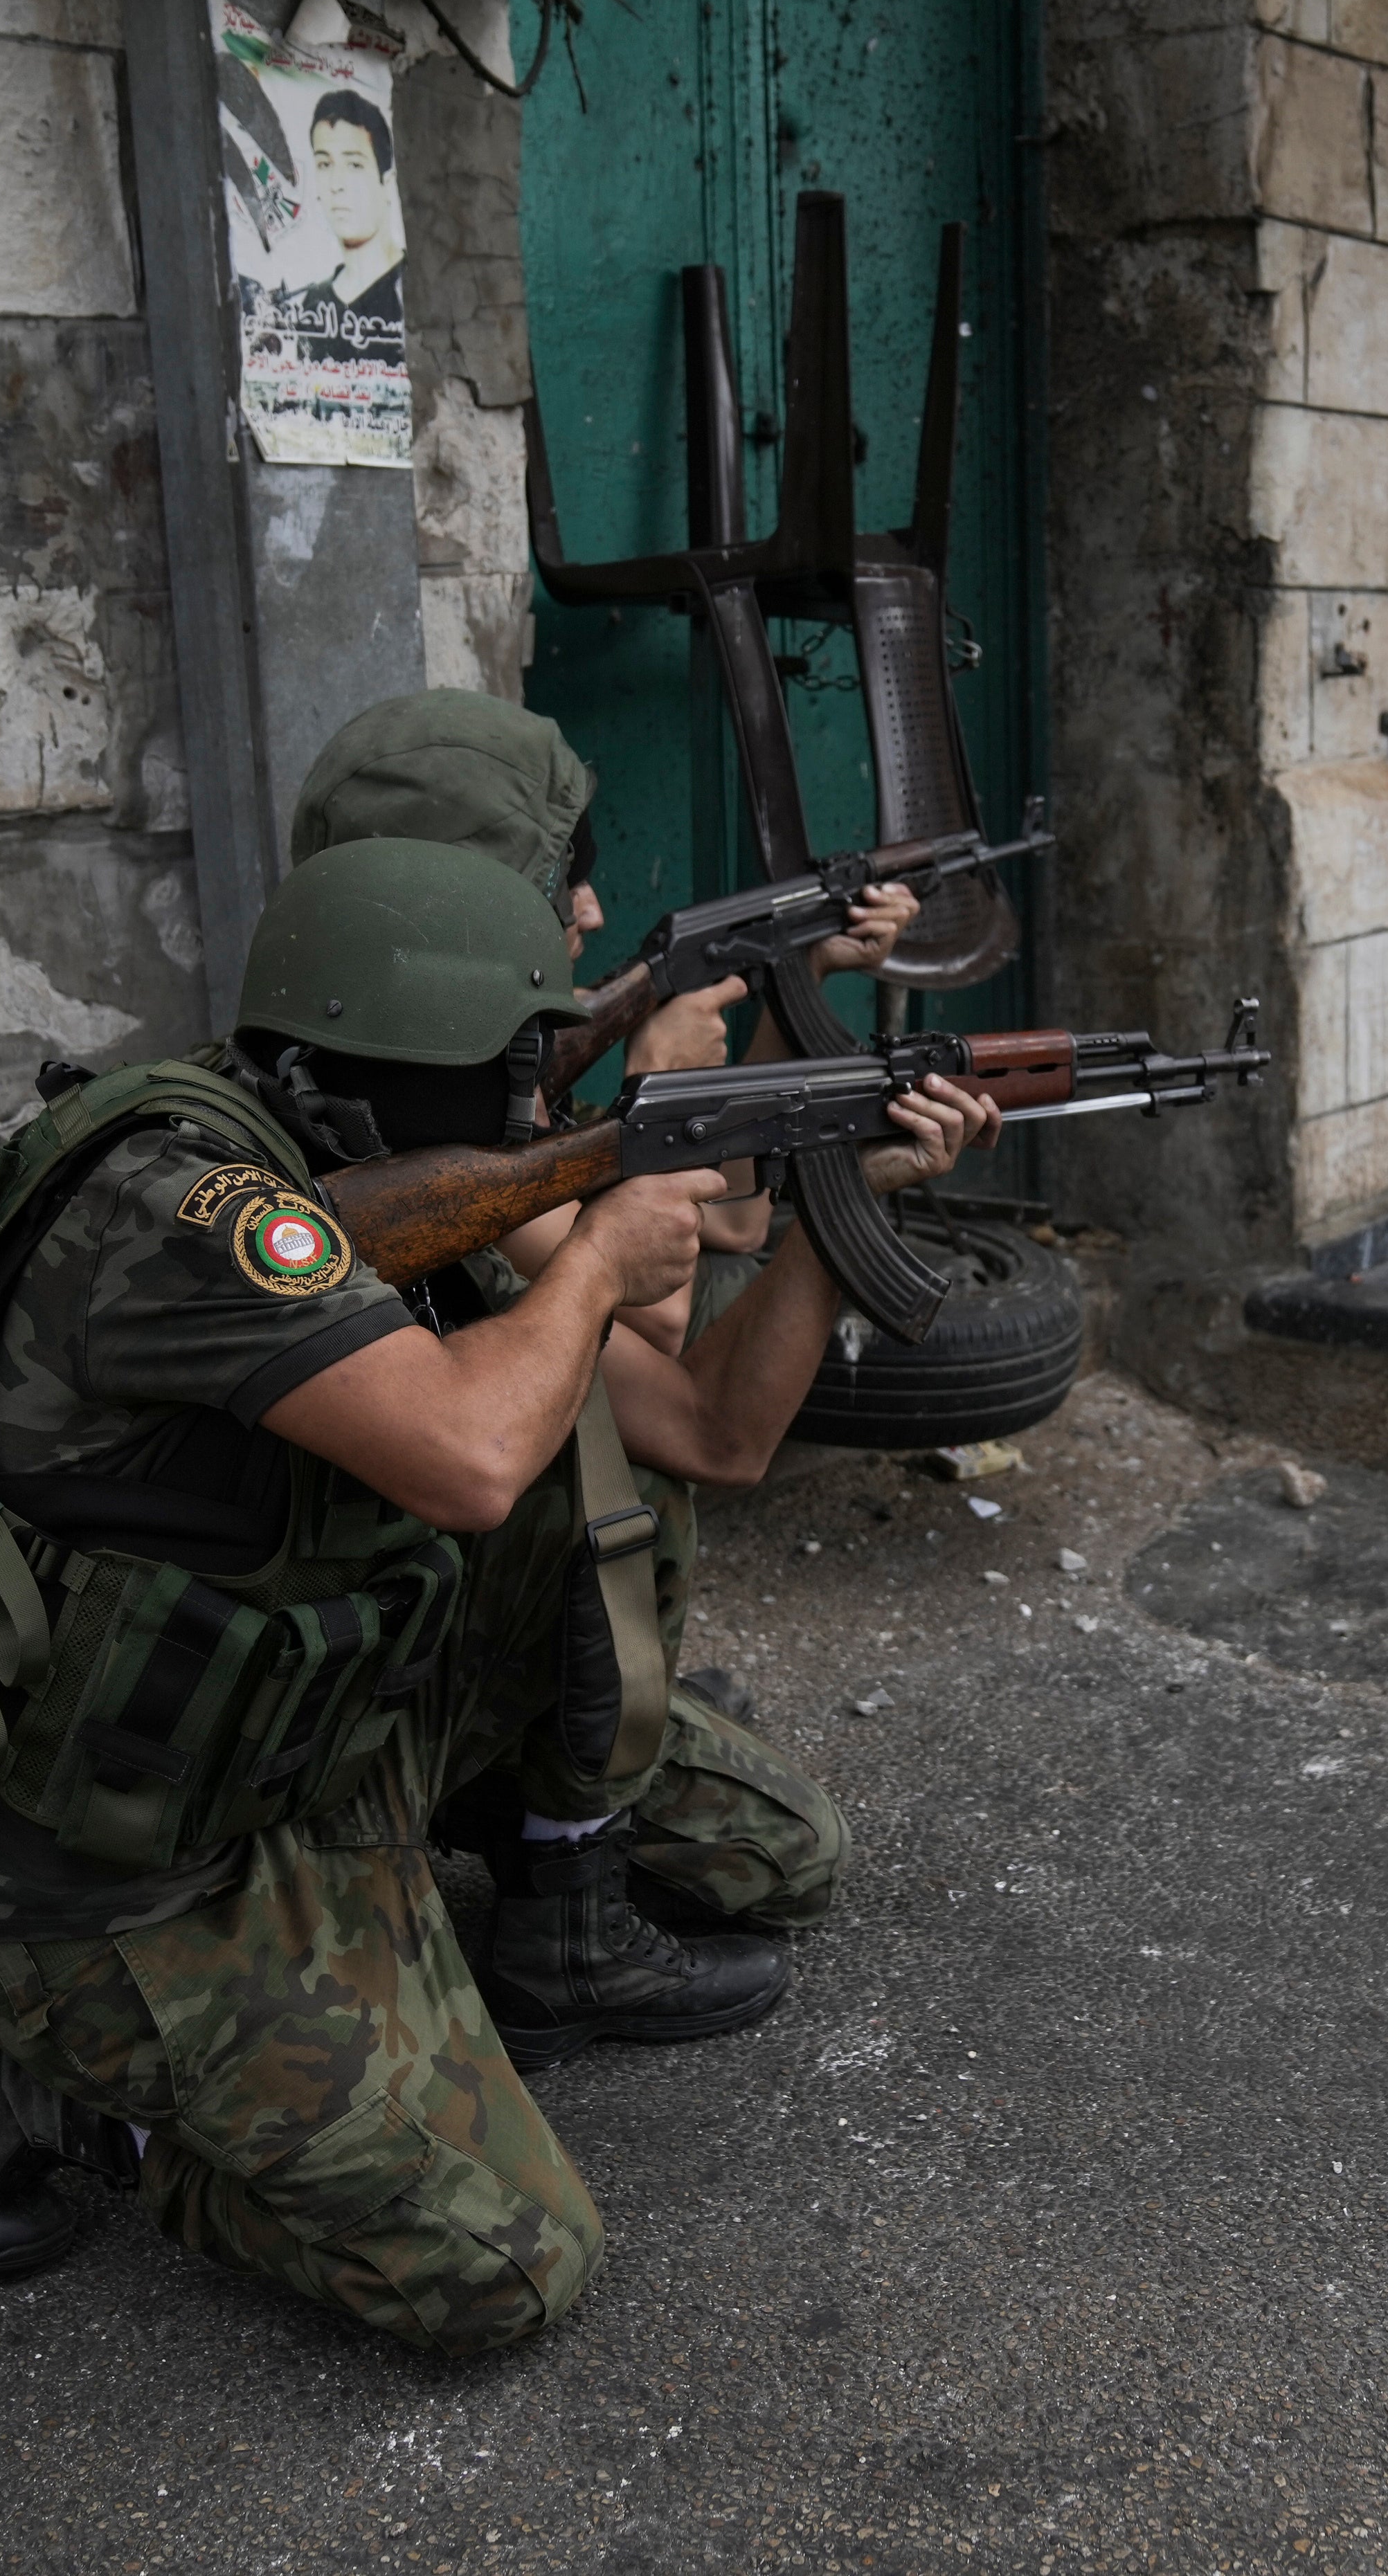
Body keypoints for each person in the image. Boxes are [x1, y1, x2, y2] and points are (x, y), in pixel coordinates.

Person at [0, 831, 992, 2355]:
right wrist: (591, 1262)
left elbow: (708, 1429)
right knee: (502, 2269)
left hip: (315, 1742)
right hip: (132, 1862)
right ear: (405, 1069)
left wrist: (838, 1195)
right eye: (515, 1075)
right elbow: (470, 1463)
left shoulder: (357, 1155)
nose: (536, 1110)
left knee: (777, 1841)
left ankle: (538, 1909)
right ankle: (37, 2083)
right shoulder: (192, 1210)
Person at [278, 689, 926, 2063]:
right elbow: (685, 1396)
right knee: (599, 1455)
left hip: (408, 1646)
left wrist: (779, 1084)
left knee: (786, 1854)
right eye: (556, 885)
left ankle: (548, 1765)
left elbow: (730, 1223)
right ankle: (551, 1875)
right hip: (329, 1707)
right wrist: (648, 1106)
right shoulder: (400, 1146)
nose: (586, 918)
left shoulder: (439, 1096)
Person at [292, 89, 406, 362]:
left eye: (354, 165)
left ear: (387, 184)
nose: (336, 185)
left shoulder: (410, 288)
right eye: (324, 164)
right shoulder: (315, 304)